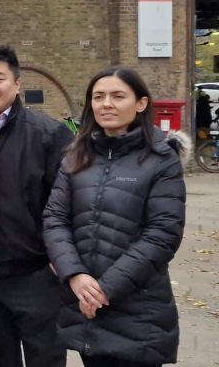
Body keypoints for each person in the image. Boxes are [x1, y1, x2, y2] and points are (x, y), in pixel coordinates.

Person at [44, 66, 185, 367]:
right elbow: (55, 218)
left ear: (140, 103)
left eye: (118, 96)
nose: (106, 104)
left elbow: (162, 234)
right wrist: (75, 275)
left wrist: (104, 290)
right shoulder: (76, 155)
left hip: (136, 308)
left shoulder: (161, 159)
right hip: (84, 306)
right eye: (99, 96)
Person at [0, 46, 71, 367]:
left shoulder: (48, 134)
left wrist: (59, 262)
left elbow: (67, 204)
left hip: (35, 275)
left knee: (46, 359)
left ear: (17, 84)